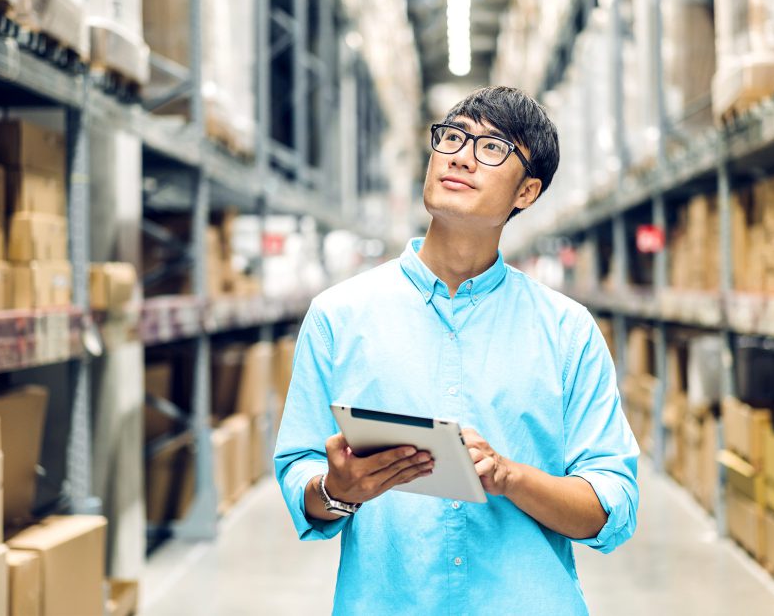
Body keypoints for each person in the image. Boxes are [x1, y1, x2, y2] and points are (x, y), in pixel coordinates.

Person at [274, 86, 639, 615]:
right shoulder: (339, 315)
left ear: (527, 192)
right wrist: (336, 488)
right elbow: (299, 473)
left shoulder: (568, 331)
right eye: (452, 137)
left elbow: (611, 508)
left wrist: (509, 477)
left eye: (492, 148)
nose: (461, 156)